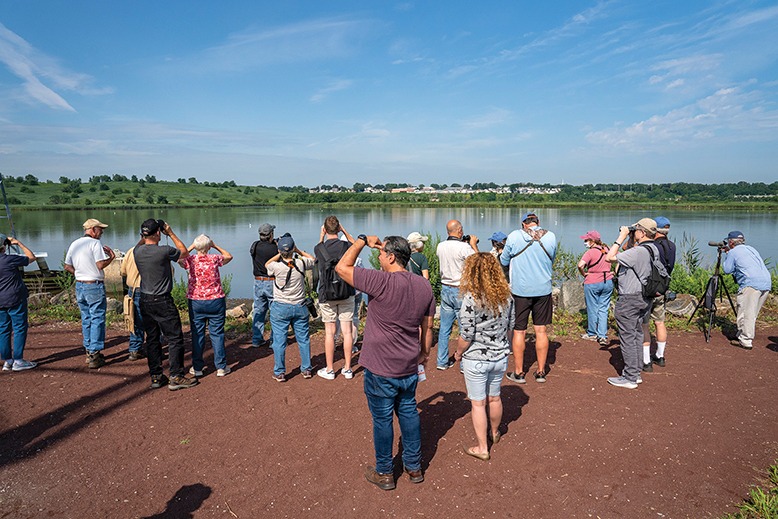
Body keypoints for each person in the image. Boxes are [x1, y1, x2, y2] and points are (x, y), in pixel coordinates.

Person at [335, 234, 435, 491]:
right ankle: (414, 467)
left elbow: (342, 268)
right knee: (409, 411)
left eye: (381, 255)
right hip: (408, 363)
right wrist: (423, 353)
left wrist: (360, 241)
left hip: (380, 366)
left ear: (391, 257)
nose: (378, 258)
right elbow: (428, 325)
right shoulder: (424, 286)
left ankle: (385, 472)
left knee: (382, 419)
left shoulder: (380, 281)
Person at [454, 253, 514, 461]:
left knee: (478, 403)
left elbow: (467, 334)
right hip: (500, 355)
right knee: (495, 397)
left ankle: (482, 447)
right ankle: (494, 433)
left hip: (477, 358)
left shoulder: (471, 298)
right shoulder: (506, 296)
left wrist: (458, 352)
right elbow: (510, 327)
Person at [134, 219, 198, 391]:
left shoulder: (137, 251)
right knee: (175, 338)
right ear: (158, 233)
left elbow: (140, 243)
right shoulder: (164, 251)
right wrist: (170, 232)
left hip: (145, 299)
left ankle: (156, 376)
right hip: (162, 300)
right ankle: (176, 376)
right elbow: (184, 252)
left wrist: (146, 234)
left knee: (152, 338)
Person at [604, 218, 662, 389]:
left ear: (642, 232)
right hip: (644, 297)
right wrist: (631, 239)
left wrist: (620, 237)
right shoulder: (652, 249)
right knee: (636, 334)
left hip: (630, 298)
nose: (633, 231)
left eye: (636, 229)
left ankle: (629, 377)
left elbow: (610, 257)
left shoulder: (638, 252)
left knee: (628, 337)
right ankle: (635, 373)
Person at [500, 213, 556, 384]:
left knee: (519, 330)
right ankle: (540, 372)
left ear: (524, 224)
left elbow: (504, 259)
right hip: (543, 289)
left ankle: (519, 372)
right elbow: (551, 258)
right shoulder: (551, 236)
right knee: (541, 330)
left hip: (521, 290)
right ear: (538, 223)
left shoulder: (515, 236)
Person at [64, 218, 115, 369]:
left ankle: (88, 350)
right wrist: (111, 257)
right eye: (100, 229)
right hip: (94, 285)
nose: (102, 232)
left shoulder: (75, 243)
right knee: (97, 318)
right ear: (93, 230)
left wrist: (79, 273)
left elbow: (67, 266)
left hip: (80, 284)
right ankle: (94, 353)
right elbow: (100, 264)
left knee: (86, 317)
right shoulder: (95, 243)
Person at [180, 234, 233, 378]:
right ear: (208, 247)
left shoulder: (190, 260)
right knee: (217, 333)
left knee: (197, 334)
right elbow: (229, 256)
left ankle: (197, 367)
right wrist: (214, 246)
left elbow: (179, 258)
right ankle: (221, 367)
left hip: (196, 301)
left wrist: (191, 246)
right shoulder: (214, 258)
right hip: (216, 300)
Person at [265, 234, 315, 382]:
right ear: (293, 249)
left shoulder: (276, 266)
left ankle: (280, 372)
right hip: (300, 306)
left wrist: (280, 253)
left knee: (279, 341)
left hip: (280, 307)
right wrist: (298, 251)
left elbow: (267, 264)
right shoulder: (301, 263)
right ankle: (306, 369)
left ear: (280, 251)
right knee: (303, 339)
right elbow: (313, 259)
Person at [314, 216, 356, 380]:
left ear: (324, 229)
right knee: (346, 331)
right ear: (338, 229)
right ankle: (347, 368)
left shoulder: (319, 248)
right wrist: (344, 231)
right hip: (346, 291)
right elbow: (355, 245)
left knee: (330, 333)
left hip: (327, 294)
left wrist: (321, 236)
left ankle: (330, 369)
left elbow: (318, 248)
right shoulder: (346, 246)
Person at [436, 220, 478, 370]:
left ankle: (441, 361)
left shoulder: (440, 246)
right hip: (461, 290)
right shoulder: (464, 247)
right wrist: (472, 243)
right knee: (465, 328)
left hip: (445, 288)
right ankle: (464, 363)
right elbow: (478, 262)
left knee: (444, 328)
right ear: (459, 230)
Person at [722, 231, 771, 350]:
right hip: (766, 283)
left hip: (751, 284)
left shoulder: (733, 252)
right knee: (752, 313)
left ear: (731, 242)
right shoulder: (751, 249)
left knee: (745, 312)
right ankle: (741, 334)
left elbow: (727, 270)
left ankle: (746, 340)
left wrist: (727, 254)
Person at [642, 216, 676, 370]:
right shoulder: (672, 245)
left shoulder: (652, 246)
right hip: (662, 288)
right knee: (660, 322)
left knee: (644, 324)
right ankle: (660, 356)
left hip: (648, 288)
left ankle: (646, 360)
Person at [0, 234, 37, 372]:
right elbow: (31, 257)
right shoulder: (9, 259)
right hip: (15, 299)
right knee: (20, 328)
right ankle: (18, 360)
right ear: (3, 246)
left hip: (1, 301)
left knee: (3, 330)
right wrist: (19, 243)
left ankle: (7, 361)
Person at [577, 230, 613, 346]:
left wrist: (583, 273)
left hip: (592, 281)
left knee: (592, 308)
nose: (585, 242)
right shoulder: (607, 249)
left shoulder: (590, 252)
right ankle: (602, 335)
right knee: (603, 308)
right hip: (607, 281)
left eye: (586, 240)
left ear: (592, 241)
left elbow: (580, 265)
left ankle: (592, 333)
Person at [250, 223, 278, 347]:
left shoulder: (255, 246)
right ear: (270, 234)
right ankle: (274, 340)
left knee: (259, 310)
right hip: (271, 281)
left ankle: (257, 339)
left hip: (258, 281)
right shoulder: (274, 249)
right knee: (275, 311)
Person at [119, 246, 147, 361]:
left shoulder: (131, 251)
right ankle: (156, 348)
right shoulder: (157, 251)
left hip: (133, 290)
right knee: (155, 321)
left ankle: (135, 349)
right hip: (151, 289)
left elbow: (122, 271)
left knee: (134, 320)